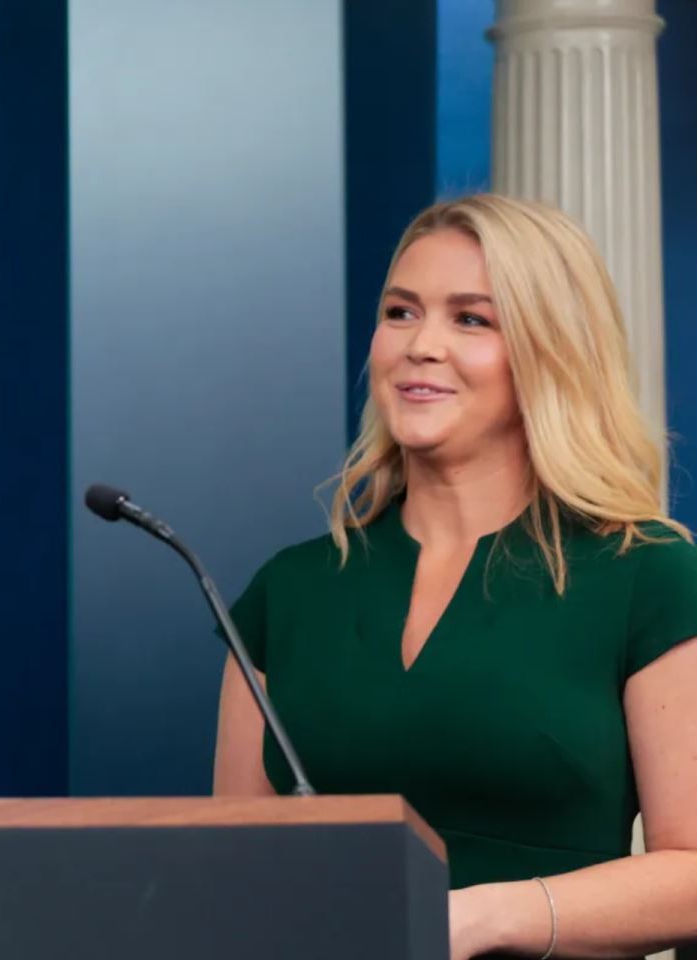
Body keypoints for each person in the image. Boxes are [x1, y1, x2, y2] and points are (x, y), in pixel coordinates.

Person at [213, 194, 697, 959]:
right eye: (400, 312)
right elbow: (233, 877)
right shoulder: (289, 591)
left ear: (551, 351)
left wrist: (481, 917)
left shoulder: (651, 574)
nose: (421, 345)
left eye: (471, 319)